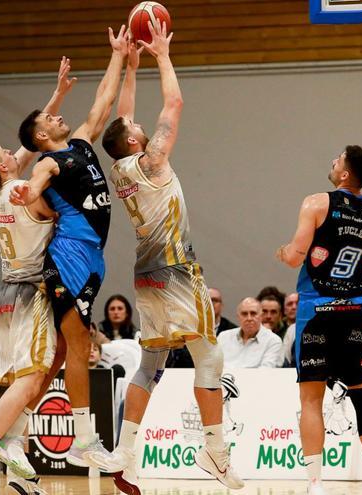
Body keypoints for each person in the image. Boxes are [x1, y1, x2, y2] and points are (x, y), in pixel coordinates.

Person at [84, 23, 243, 492]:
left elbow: (123, 116)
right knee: (209, 357)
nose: (139, 125)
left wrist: (130, 68)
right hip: (175, 268)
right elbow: (173, 105)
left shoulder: (120, 167)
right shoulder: (152, 160)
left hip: (144, 274)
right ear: (136, 142)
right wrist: (161, 56)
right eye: (136, 129)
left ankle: (125, 454)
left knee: (149, 365)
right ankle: (214, 449)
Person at [0, 57, 76, 495]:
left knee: (37, 369)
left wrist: (58, 94)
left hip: (5, 296)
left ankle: (13, 454)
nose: (13, 153)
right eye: (6, 154)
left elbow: (27, 149)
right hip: (31, 290)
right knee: (29, 379)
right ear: (4, 168)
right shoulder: (23, 192)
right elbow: (34, 156)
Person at [11, 27, 129, 471]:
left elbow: (102, 102)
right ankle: (85, 438)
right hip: (67, 262)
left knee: (61, 354)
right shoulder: (47, 162)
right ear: (40, 137)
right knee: (78, 347)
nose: (58, 118)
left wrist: (116, 55)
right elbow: (35, 182)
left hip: (92, 261)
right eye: (48, 121)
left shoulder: (78, 144)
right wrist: (27, 193)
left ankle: (17, 429)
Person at [276, 144, 362, 495]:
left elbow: (294, 255)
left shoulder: (316, 203)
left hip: (317, 312)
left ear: (344, 174)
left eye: (337, 159)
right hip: (356, 313)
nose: (332, 161)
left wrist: (284, 252)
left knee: (311, 401)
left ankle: (315, 484)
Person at [218, 298, 283, 368]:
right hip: (225, 378)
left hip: (258, 378)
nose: (249, 318)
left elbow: (266, 372)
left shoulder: (273, 341)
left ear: (261, 316)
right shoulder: (223, 337)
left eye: (253, 313)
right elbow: (212, 366)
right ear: (238, 317)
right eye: (244, 314)